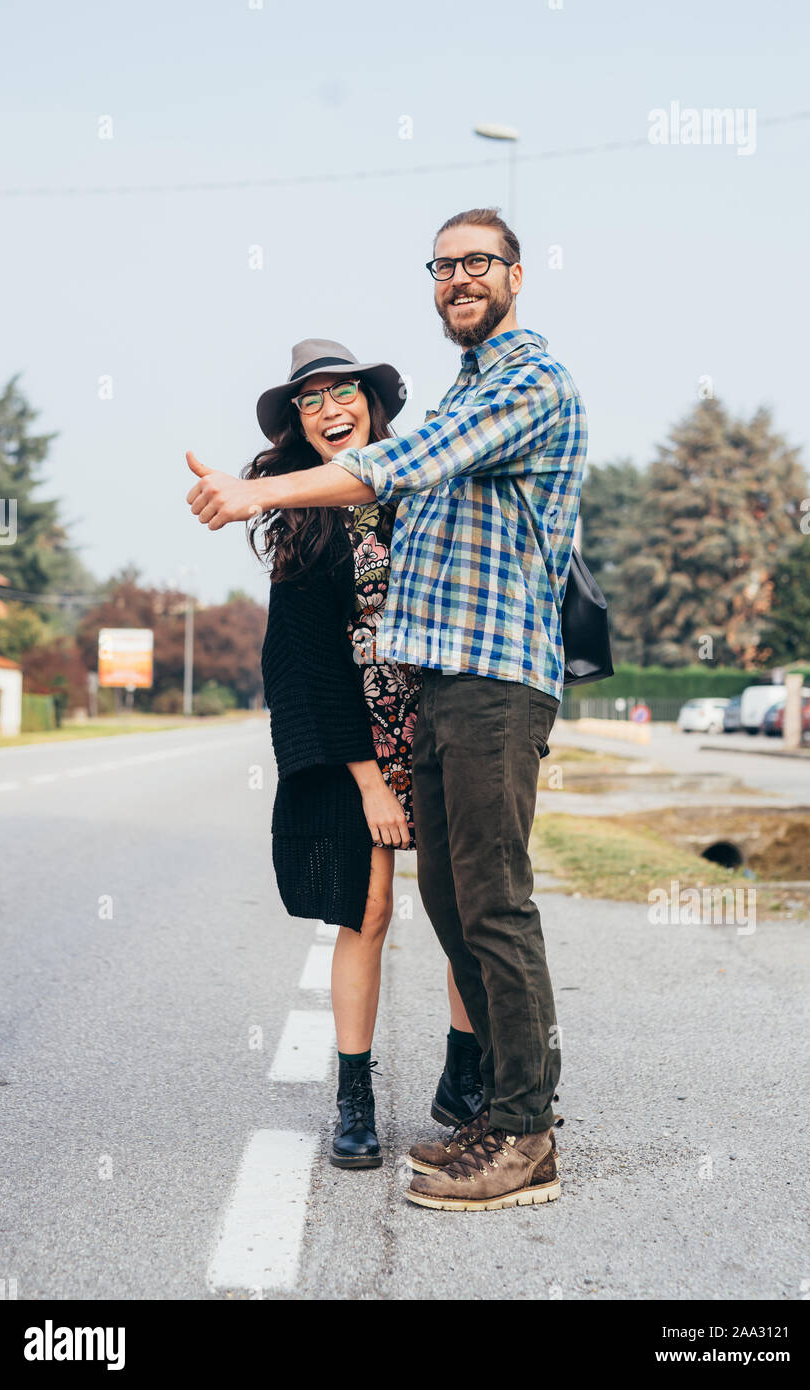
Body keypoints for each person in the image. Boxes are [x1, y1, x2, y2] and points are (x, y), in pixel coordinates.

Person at [185, 207, 587, 1212]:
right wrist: (278, 502)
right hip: (438, 694)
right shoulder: (464, 390)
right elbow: (314, 643)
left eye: (477, 263)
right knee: (450, 906)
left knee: (488, 903)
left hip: (494, 678)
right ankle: (485, 1110)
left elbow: (399, 466)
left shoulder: (525, 379)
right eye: (442, 265)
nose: (457, 278)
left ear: (516, 276)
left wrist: (254, 493)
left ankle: (521, 1130)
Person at [242, 338, 482, 1170]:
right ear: (299, 427)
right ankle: (354, 1099)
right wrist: (371, 781)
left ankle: (464, 1081)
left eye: (343, 392)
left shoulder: (428, 487)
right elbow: (302, 668)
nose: (330, 409)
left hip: (450, 728)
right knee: (367, 912)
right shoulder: (304, 525)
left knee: (466, 917)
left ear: (373, 405)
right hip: (361, 745)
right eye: (310, 402)